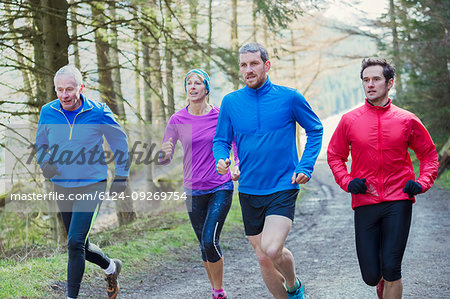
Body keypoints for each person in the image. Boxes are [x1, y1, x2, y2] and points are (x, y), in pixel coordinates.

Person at [213, 43, 323, 299]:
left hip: (283, 185)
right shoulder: (231, 102)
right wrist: (222, 159)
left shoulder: (289, 97)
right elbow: (221, 140)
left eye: (254, 63)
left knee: (272, 249)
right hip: (250, 189)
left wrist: (305, 165)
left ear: (267, 65)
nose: (248, 69)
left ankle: (294, 284)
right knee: (263, 258)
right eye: (243, 65)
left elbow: (315, 129)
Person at [327, 58, 439, 299]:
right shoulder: (350, 120)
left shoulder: (406, 119)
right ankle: (380, 283)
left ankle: (388, 281)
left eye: (376, 79)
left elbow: (429, 155)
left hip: (399, 199)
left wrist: (421, 183)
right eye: (366, 80)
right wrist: (347, 181)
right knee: (370, 275)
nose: (370, 84)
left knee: (391, 267)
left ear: (389, 83)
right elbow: (335, 155)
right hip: (365, 201)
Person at [35, 65, 129, 299]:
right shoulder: (48, 111)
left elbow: (120, 141)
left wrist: (122, 175)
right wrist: (44, 162)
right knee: (80, 245)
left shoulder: (98, 111)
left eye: (69, 89)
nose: (64, 95)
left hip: (92, 183)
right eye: (59, 90)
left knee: (74, 242)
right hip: (62, 185)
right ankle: (111, 267)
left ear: (80, 88)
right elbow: (41, 144)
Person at [160, 69, 239, 299]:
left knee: (209, 240)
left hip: (220, 186)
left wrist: (236, 165)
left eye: (198, 83)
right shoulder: (177, 119)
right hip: (193, 188)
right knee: (203, 245)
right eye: (189, 83)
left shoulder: (219, 116)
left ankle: (219, 291)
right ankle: (215, 290)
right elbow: (167, 148)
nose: (192, 87)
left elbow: (234, 143)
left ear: (206, 89)